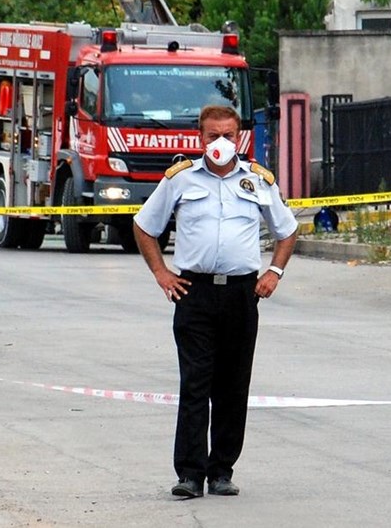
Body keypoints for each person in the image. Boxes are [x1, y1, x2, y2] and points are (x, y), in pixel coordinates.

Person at [132, 105, 298, 499]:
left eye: (228, 134)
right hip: (194, 293)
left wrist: (274, 272)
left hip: (241, 293)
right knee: (195, 384)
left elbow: (286, 230)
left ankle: (221, 469)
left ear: (239, 136)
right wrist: (161, 273)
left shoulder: (258, 181)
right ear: (199, 138)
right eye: (212, 136)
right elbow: (143, 225)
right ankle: (190, 473)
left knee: (233, 384)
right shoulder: (180, 179)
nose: (220, 142)